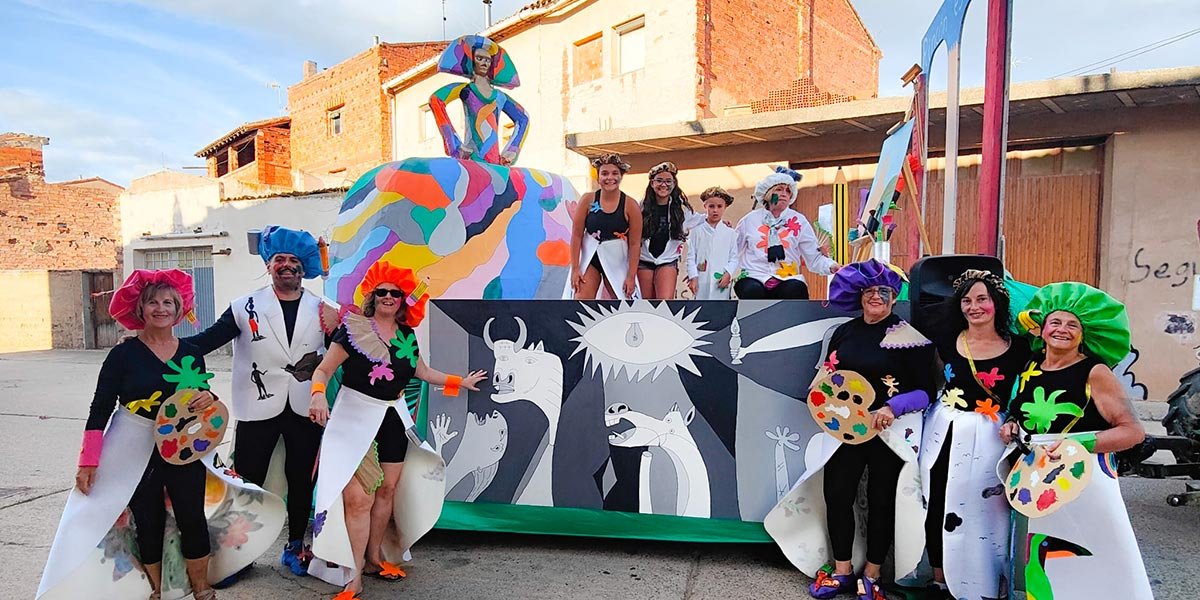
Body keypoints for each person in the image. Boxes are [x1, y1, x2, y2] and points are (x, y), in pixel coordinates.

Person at [38, 270, 283, 600]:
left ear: (179, 309)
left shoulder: (190, 352)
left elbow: (200, 395)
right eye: (152, 302)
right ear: (140, 309)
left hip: (181, 447)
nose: (160, 308)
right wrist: (88, 461)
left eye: (168, 302)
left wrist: (208, 398)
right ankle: (156, 590)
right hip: (132, 447)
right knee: (147, 519)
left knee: (192, 517)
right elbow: (100, 408)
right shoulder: (122, 355)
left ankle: (201, 587)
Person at [306, 259, 487, 598]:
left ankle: (374, 557)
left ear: (403, 300)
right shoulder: (354, 329)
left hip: (393, 420)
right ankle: (353, 575)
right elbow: (323, 371)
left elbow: (422, 371)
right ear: (372, 295)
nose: (389, 297)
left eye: (396, 293)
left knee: (387, 492)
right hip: (353, 421)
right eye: (383, 291)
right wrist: (318, 396)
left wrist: (458, 382)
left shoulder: (407, 335)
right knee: (359, 500)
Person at [764, 260, 936, 600]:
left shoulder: (910, 338)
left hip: (888, 432)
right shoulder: (844, 332)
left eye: (883, 291)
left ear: (892, 296)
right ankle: (841, 569)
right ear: (859, 295)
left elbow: (926, 391)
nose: (876, 297)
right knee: (837, 495)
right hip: (846, 431)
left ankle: (871, 575)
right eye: (870, 291)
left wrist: (892, 407)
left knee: (881, 500)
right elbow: (828, 377)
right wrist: (821, 402)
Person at [184, 225, 330, 577]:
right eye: (279, 258)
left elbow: (349, 350)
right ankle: (239, 553)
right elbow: (202, 343)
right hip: (256, 407)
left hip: (305, 408)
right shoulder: (243, 307)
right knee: (247, 479)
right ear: (269, 264)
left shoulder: (325, 310)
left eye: (294, 260)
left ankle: (296, 546)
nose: (287, 265)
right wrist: (159, 346)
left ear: (304, 266)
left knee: (301, 481)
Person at [1002, 282, 1151, 600]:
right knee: (1046, 558)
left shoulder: (1095, 372)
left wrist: (1076, 444)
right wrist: (1012, 425)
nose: (1062, 330)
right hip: (1039, 477)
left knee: (1092, 555)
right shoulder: (1032, 366)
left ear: (1084, 334)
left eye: (1073, 325)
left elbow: (1132, 431)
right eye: (1055, 322)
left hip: (1087, 479)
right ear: (1041, 329)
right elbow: (1022, 412)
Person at [921, 269, 1030, 600]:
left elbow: (1025, 393)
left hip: (991, 438)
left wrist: (1015, 420)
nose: (974, 307)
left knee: (989, 507)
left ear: (996, 303)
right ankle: (940, 580)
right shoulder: (946, 343)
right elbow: (935, 382)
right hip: (945, 431)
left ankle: (986, 582)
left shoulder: (1020, 348)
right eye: (967, 301)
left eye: (982, 299)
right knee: (937, 500)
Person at [734, 167, 839, 299]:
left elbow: (814, 257)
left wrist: (832, 266)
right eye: (779, 189)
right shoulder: (749, 220)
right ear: (767, 194)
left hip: (787, 278)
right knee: (751, 290)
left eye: (788, 191)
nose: (784, 193)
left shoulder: (799, 221)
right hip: (754, 276)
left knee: (796, 289)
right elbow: (733, 251)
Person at [429, 34, 528, 166]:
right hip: (472, 159)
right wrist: (454, 144)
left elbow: (523, 118)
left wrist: (512, 150)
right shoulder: (466, 90)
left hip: (495, 163)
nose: (484, 63)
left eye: (487, 60)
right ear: (472, 61)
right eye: (479, 58)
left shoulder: (499, 96)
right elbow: (436, 100)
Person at [570, 153, 642, 300]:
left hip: (617, 259)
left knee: (624, 303)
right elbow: (576, 235)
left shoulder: (630, 205)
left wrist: (631, 275)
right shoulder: (587, 200)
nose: (610, 178)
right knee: (580, 302)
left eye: (615, 173)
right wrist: (575, 268)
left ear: (621, 177)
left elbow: (635, 244)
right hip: (591, 257)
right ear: (598, 178)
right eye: (605, 173)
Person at [637, 161, 701, 299]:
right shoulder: (640, 207)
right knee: (645, 303)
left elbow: (701, 220)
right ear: (652, 183)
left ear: (674, 183)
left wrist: (720, 222)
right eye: (659, 180)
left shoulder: (682, 210)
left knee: (665, 303)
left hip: (668, 260)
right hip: (643, 260)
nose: (664, 185)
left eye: (668, 181)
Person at [687, 186, 739, 300]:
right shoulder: (697, 231)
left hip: (720, 280)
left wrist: (728, 273)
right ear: (705, 206)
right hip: (701, 280)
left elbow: (734, 258)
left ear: (725, 207)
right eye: (711, 206)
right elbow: (691, 257)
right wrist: (693, 276)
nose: (715, 210)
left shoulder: (730, 233)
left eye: (719, 206)